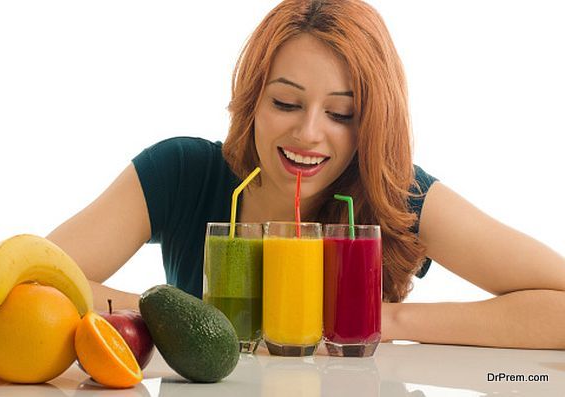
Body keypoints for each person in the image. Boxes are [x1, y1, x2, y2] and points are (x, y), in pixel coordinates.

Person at [47, 0, 565, 349]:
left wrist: (387, 320)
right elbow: (42, 278)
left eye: (341, 114)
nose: (309, 133)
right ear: (253, 100)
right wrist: (185, 315)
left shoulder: (393, 193)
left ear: (371, 125)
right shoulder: (183, 172)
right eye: (286, 102)